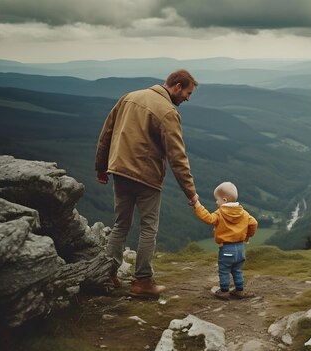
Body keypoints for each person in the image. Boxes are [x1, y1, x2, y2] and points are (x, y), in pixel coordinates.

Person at [95, 69, 199, 298]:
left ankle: (106, 274)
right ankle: (142, 282)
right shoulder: (167, 112)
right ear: (178, 86)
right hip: (146, 177)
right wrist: (191, 193)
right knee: (148, 228)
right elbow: (177, 157)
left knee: (121, 224)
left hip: (119, 171)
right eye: (188, 93)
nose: (188, 98)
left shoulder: (129, 97)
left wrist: (101, 167)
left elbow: (107, 133)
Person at [193, 182, 258, 300]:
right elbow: (254, 223)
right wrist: (247, 236)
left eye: (217, 200)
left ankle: (224, 291)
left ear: (224, 199)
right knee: (237, 270)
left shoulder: (220, 213)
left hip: (227, 249)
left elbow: (208, 218)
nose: (216, 202)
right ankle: (239, 290)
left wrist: (197, 204)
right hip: (240, 249)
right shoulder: (243, 212)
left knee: (224, 270)